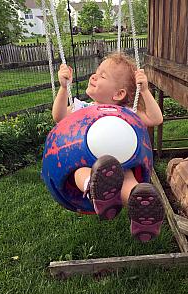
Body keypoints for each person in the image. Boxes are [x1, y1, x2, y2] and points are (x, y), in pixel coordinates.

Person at [52, 52, 165, 242]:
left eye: (102, 76)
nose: (94, 76)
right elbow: (59, 116)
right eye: (96, 72)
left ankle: (142, 206)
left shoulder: (127, 112)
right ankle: (95, 189)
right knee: (80, 172)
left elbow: (156, 119)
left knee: (127, 177)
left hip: (121, 164)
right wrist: (64, 88)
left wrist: (144, 90)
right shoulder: (82, 108)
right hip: (87, 162)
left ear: (118, 94)